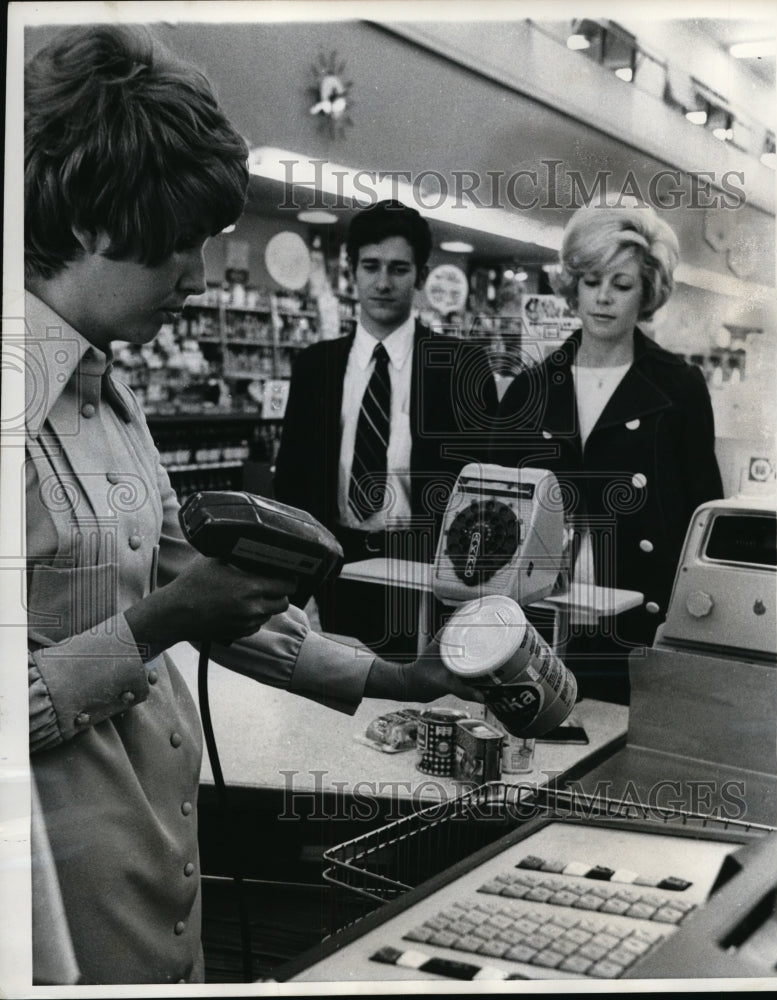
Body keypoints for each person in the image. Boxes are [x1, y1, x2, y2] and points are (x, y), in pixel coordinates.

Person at [23, 25, 478, 986]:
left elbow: (186, 582)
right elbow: (165, 611)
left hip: (157, 878)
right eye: (179, 247)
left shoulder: (107, 390)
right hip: (51, 910)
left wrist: (398, 678)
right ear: (100, 219)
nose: (195, 279)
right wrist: (153, 629)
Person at [490, 204, 723, 704]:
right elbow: (498, 509)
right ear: (572, 286)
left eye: (621, 285)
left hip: (639, 615)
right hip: (542, 614)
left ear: (647, 293)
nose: (603, 298)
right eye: (592, 281)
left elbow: (702, 510)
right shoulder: (530, 388)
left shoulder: (678, 387)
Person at [275, 199, 498, 657]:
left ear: (420, 275)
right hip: (340, 560)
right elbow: (292, 480)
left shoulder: (461, 367)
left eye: (398, 269)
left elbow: (484, 487)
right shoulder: (315, 366)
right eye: (370, 266)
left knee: (421, 701)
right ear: (351, 270)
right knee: (343, 696)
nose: (382, 282)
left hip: (427, 566)